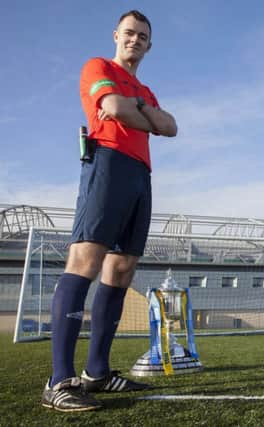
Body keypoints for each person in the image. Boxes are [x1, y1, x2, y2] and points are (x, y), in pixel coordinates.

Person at [41, 10, 177, 412]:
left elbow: (170, 127)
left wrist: (139, 109)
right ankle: (58, 381)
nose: (135, 40)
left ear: (149, 45)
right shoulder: (97, 66)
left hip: (141, 173)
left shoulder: (146, 89)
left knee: (121, 268)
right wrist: (140, 114)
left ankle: (97, 371)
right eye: (130, 33)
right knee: (86, 259)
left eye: (143, 37)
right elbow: (113, 108)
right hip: (108, 164)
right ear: (117, 35)